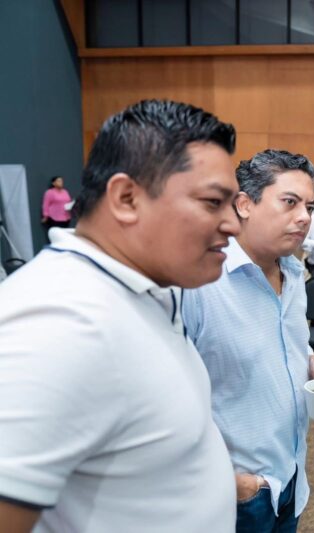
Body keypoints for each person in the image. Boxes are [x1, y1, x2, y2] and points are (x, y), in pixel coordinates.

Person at [0, 99, 240, 532]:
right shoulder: (60, 321)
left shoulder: (142, 288)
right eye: (212, 202)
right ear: (127, 198)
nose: (233, 224)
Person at [183, 149, 314, 533]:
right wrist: (235, 484)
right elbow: (156, 399)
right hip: (233, 494)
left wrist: (311, 361)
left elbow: (284, 341)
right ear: (244, 204)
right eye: (289, 202)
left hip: (290, 478)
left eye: (309, 206)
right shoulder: (198, 282)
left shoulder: (293, 273)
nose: (305, 217)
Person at [41, 175, 72, 241]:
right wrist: (45, 216)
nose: (61, 182)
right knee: (57, 237)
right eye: (59, 181)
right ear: (53, 183)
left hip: (66, 218)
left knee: (65, 236)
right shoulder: (49, 192)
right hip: (54, 218)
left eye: (61, 181)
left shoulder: (65, 192)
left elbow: (68, 201)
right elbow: (45, 204)